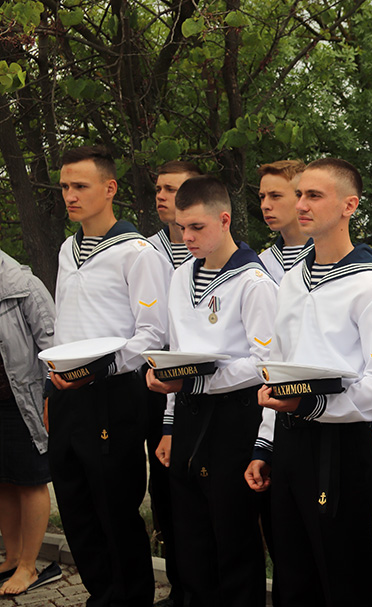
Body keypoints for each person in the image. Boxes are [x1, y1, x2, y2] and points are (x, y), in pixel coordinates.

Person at [245, 158, 372, 605]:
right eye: (299, 194)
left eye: (314, 195)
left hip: (340, 446)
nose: (301, 204)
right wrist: (265, 445)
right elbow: (278, 367)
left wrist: (314, 406)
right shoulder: (291, 279)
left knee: (342, 576)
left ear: (349, 206)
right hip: (290, 440)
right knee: (293, 575)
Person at [47, 145, 170, 606]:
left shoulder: (137, 252)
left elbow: (152, 333)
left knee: (114, 508)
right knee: (76, 507)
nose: (70, 195)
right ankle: (101, 596)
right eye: (65, 186)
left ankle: (131, 599)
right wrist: (52, 385)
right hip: (67, 393)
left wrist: (102, 367)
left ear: (109, 188)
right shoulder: (67, 249)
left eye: (80, 186)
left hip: (113, 391)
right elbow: (64, 324)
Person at [147, 175, 275, 607]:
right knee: (191, 536)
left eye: (197, 227)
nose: (186, 237)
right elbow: (176, 352)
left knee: (233, 537)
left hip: (233, 417)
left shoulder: (254, 282)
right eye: (181, 227)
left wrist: (198, 380)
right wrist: (169, 422)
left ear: (224, 220)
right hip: (188, 413)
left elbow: (264, 364)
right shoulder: (181, 275)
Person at [149, 159, 201, 607]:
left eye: (175, 189)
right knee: (165, 490)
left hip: (199, 381)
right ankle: (179, 584)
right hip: (158, 382)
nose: (164, 197)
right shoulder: (146, 249)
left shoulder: (211, 250)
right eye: (160, 189)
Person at [0, 249, 59, 596]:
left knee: (30, 481)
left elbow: (53, 347)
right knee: (3, 483)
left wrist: (50, 397)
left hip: (23, 402)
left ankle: (29, 567)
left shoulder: (24, 286)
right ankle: (12, 558)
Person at [257, 160, 312, 281]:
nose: (264, 205)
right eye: (262, 197)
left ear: (301, 197)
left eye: (275, 196)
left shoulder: (333, 259)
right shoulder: (260, 264)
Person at [151, 160, 202, 268]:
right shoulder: (147, 249)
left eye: (170, 189)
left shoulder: (215, 252)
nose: (160, 196)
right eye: (158, 190)